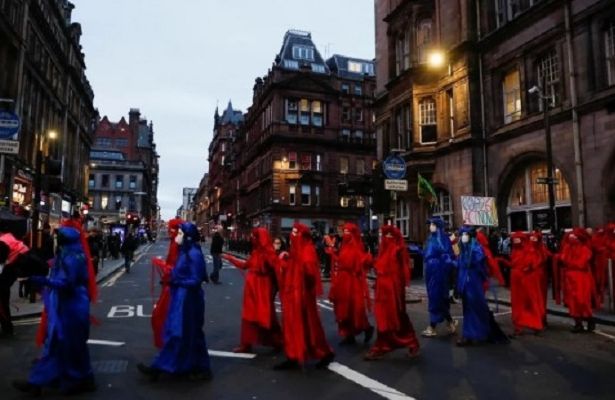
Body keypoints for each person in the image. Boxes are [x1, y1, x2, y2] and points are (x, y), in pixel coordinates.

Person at [12, 227, 96, 395]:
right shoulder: (71, 254)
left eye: (59, 237)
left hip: (72, 306)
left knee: (63, 343)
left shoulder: (70, 257)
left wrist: (44, 281)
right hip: (73, 304)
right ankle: (45, 381)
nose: (56, 239)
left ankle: (71, 379)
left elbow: (67, 284)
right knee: (67, 344)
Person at [138, 222, 212, 381]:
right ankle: (194, 366)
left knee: (180, 332)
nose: (176, 236)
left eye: (179, 233)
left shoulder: (193, 253)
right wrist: (168, 270)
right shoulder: (185, 251)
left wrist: (176, 282)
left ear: (187, 236)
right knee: (185, 333)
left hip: (189, 299)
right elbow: (181, 272)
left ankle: (160, 367)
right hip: (181, 296)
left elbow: (196, 279)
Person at [274, 222, 334, 370]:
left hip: (303, 296)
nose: (292, 236)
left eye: (296, 233)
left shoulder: (307, 250)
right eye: (292, 233)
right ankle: (294, 354)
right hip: (293, 294)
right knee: (293, 325)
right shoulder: (296, 250)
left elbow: (309, 274)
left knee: (309, 325)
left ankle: (322, 353)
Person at [365, 225, 420, 360]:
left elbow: (403, 271)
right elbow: (379, 267)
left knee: (398, 318)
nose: (386, 238)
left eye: (389, 235)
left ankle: (409, 342)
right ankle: (382, 345)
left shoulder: (398, 250)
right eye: (385, 235)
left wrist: (396, 289)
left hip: (393, 290)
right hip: (383, 291)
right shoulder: (383, 250)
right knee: (383, 319)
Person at [223, 228, 282, 353]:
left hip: (262, 289)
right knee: (249, 316)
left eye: (255, 237)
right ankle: (246, 343)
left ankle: (278, 342)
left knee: (266, 316)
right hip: (252, 289)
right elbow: (245, 265)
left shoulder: (269, 254)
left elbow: (277, 270)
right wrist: (230, 258)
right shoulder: (256, 252)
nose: (252, 239)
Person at [456, 227, 509, 346]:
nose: (462, 237)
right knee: (468, 309)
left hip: (474, 284)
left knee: (475, 308)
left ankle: (476, 333)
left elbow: (477, 264)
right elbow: (460, 265)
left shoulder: (476, 249)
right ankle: (469, 334)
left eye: (464, 234)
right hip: (466, 284)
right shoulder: (464, 249)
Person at [329, 222, 373, 345]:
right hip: (343, 280)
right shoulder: (344, 245)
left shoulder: (356, 246)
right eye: (345, 231)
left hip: (352, 281)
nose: (345, 234)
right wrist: (333, 253)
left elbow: (358, 262)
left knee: (355, 308)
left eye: (348, 232)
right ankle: (349, 335)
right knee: (343, 308)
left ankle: (366, 328)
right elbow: (342, 261)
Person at [151, 217, 188, 349]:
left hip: (175, 287)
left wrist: (161, 264)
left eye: (171, 229)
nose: (168, 231)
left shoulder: (179, 246)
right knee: (163, 317)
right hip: (171, 285)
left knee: (164, 316)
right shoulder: (175, 244)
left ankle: (171, 349)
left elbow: (177, 269)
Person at [501, 232, 547, 335]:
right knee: (518, 303)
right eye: (514, 240)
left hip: (526, 279)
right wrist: (504, 262)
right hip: (516, 279)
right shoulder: (515, 251)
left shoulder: (529, 250)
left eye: (517, 240)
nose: (515, 241)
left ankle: (536, 325)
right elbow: (513, 264)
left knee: (530, 301)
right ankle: (519, 325)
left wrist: (528, 268)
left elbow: (534, 263)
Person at [553, 228, 595, 333]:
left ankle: (589, 320)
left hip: (581, 279)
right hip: (570, 278)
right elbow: (563, 259)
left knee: (582, 301)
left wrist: (567, 262)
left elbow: (580, 264)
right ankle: (578, 324)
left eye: (574, 238)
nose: (572, 240)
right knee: (572, 302)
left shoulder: (585, 250)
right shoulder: (568, 248)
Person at [422, 217, 457, 338]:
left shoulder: (443, 239)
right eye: (430, 224)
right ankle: (450, 322)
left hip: (438, 272)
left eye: (432, 224)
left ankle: (432, 326)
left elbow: (449, 255)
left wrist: (444, 263)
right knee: (437, 298)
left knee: (436, 297)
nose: (430, 226)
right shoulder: (430, 238)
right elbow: (426, 253)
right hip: (430, 272)